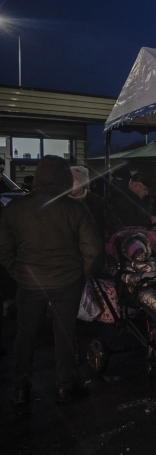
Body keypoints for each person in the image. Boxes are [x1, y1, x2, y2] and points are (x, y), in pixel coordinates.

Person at [1, 156, 103, 404]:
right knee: (65, 334)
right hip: (66, 282)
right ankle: (64, 386)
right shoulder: (75, 208)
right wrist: (81, 276)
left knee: (25, 335)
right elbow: (93, 249)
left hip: (29, 282)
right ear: (63, 179)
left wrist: (18, 272)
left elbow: (4, 248)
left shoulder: (15, 208)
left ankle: (20, 389)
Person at [69, 166, 121, 241]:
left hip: (94, 248)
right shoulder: (61, 202)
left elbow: (113, 225)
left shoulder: (98, 202)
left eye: (72, 181)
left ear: (82, 182)